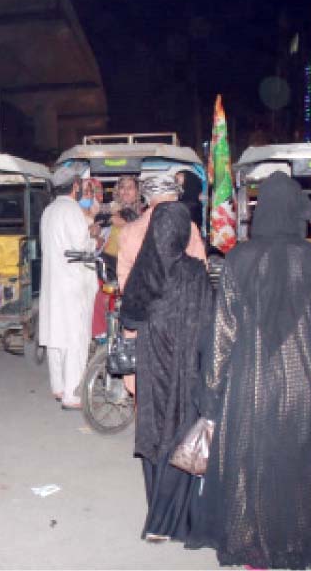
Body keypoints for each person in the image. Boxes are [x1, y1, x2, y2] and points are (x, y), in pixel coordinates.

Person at [186, 172, 311, 570]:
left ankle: (256, 550)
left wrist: (211, 396)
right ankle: (299, 548)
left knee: (254, 466)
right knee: (301, 468)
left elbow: (222, 336)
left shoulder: (239, 259)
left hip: (250, 383)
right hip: (308, 383)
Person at [119, 202, 213, 542]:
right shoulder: (195, 272)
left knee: (156, 434)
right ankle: (175, 520)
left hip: (151, 369)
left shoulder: (145, 270)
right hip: (187, 370)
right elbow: (209, 322)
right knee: (182, 436)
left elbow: (129, 320)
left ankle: (156, 518)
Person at [117, 174, 206, 394]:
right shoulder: (189, 229)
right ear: (175, 197)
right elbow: (199, 275)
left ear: (147, 198)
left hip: (142, 320)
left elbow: (124, 281)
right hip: (178, 323)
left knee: (144, 392)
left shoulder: (129, 230)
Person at [39, 163, 99, 409]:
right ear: (75, 186)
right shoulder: (72, 210)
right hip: (72, 283)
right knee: (75, 337)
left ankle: (59, 386)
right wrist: (94, 236)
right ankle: (72, 395)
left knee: (56, 335)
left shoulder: (49, 210)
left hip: (54, 282)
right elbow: (80, 247)